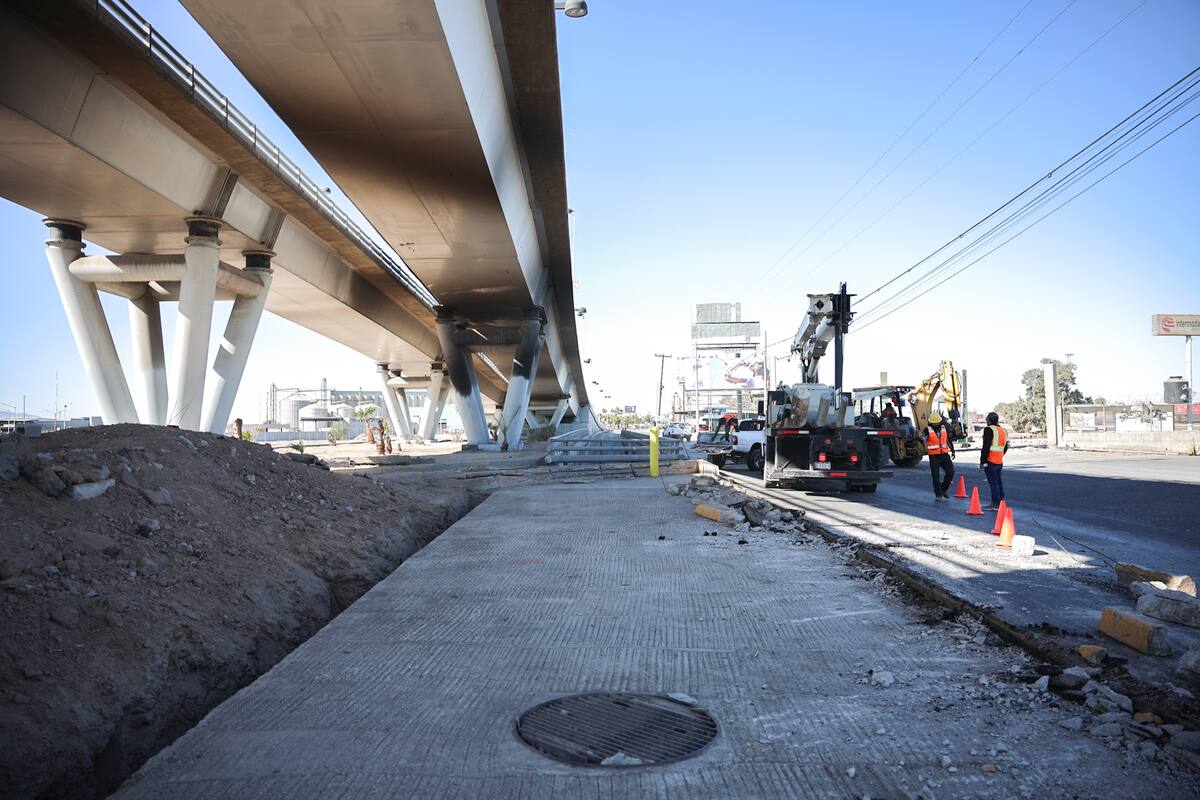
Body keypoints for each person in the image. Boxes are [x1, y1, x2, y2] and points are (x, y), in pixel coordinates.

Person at [979, 411, 1008, 510]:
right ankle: (1001, 502)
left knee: (993, 483)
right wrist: (1000, 455)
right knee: (998, 482)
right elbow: (1005, 446)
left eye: (987, 419)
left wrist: (982, 462)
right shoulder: (1003, 430)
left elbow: (986, 447)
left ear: (990, 420)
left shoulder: (988, 430)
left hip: (990, 461)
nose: (986, 422)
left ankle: (995, 504)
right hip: (999, 461)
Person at [925, 412, 955, 500]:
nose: (936, 424)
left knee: (950, 472)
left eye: (937, 422)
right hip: (934, 456)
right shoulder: (927, 430)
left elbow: (948, 440)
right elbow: (923, 439)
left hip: (944, 455)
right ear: (931, 422)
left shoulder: (943, 428)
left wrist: (952, 450)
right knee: (935, 476)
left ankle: (943, 489)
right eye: (934, 423)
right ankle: (938, 494)